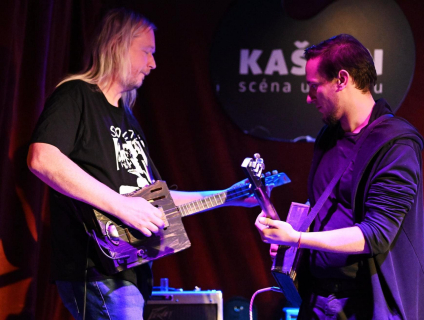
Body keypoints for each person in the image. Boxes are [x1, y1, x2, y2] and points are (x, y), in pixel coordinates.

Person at [28, 8, 254, 320]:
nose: (153, 63)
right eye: (146, 51)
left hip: (132, 269)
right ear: (117, 46)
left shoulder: (128, 118)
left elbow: (155, 200)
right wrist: (121, 206)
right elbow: (42, 157)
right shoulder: (75, 94)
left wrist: (228, 195)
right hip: (96, 268)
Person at [255, 34, 424, 319]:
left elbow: (375, 234)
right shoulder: (329, 136)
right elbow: (327, 212)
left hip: (368, 306)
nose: (309, 98)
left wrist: (297, 239)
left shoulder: (396, 144)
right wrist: (289, 240)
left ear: (342, 79)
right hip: (318, 303)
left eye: (314, 87)